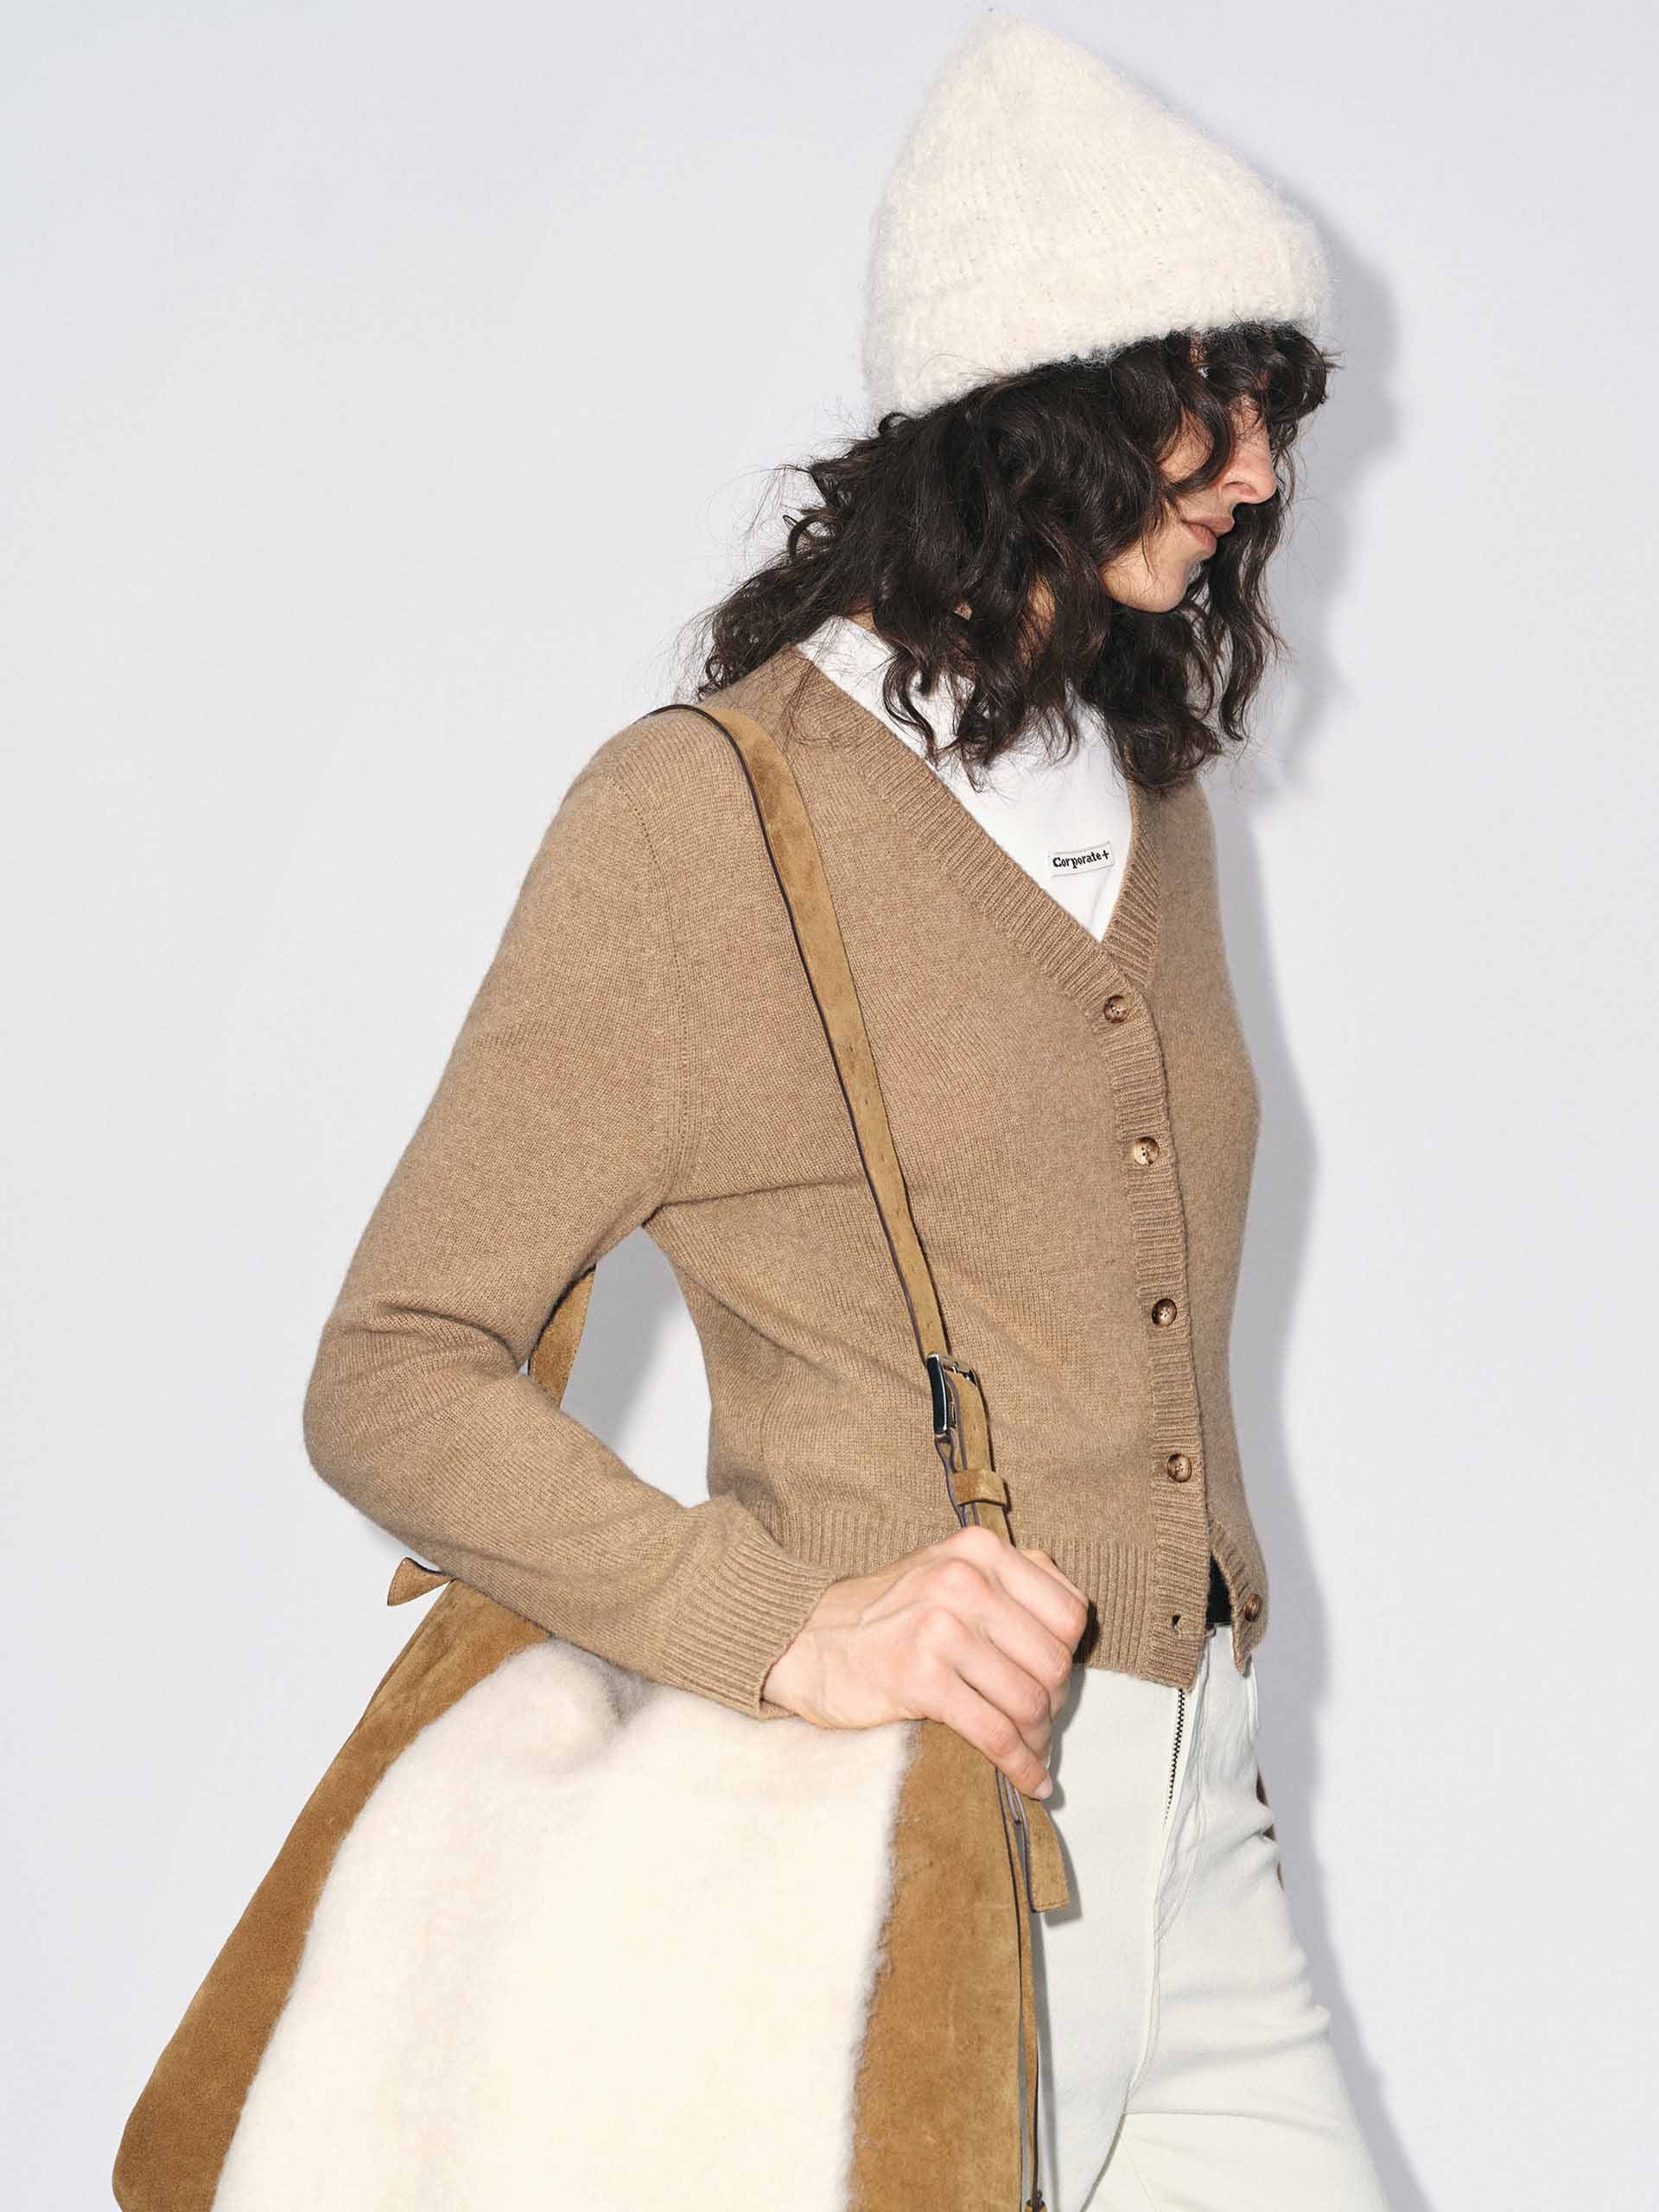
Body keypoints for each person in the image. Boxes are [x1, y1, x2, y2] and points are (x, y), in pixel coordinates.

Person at [302, 16, 1390, 2209]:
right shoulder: (701, 822)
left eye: (1281, 402)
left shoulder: (1155, 799)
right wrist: (783, 1623)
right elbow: (389, 1369)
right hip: (892, 1863)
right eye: (1216, 393)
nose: (1265, 469)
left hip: (1203, 1835)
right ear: (1038, 393)